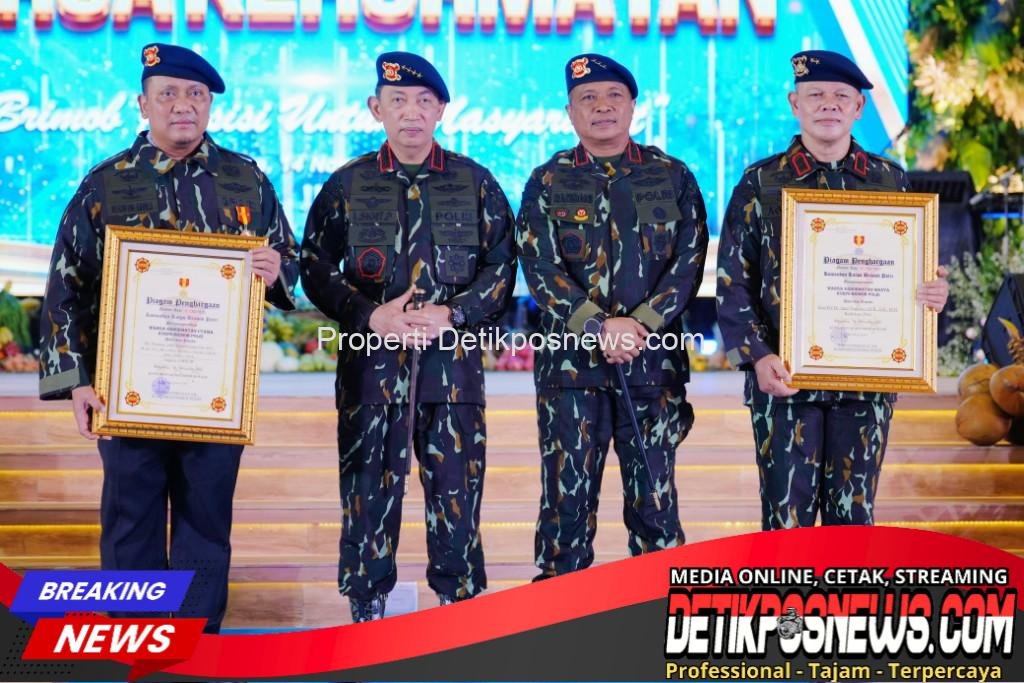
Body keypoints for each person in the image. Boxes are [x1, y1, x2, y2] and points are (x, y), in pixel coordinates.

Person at [38, 43, 299, 632]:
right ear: (143, 104)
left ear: (209, 104)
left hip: (213, 394)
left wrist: (276, 268)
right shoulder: (106, 183)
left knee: (206, 526)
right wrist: (75, 381)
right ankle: (136, 645)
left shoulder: (245, 179)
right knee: (130, 525)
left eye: (195, 95)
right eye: (169, 94)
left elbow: (291, 259)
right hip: (126, 392)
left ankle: (196, 649)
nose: (183, 105)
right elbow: (65, 284)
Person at [300, 51, 517, 622]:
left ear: (441, 110)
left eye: (424, 101)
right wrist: (369, 315)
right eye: (398, 101)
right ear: (377, 108)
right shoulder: (347, 184)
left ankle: (458, 607)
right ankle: (366, 608)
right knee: (367, 494)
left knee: (456, 494)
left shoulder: (475, 182)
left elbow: (503, 267)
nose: (411, 112)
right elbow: (313, 265)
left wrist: (454, 314)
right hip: (371, 373)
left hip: (452, 374)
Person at [715, 50, 949, 530]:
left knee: (854, 522)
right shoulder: (761, 181)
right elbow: (732, 281)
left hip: (866, 382)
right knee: (786, 524)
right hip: (784, 379)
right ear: (794, 103)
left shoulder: (890, 181)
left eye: (842, 96)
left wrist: (930, 295)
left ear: (858, 107)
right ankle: (789, 589)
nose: (829, 104)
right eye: (816, 94)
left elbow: (911, 276)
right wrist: (758, 356)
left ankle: (847, 586)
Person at [515, 53, 708, 579]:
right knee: (565, 509)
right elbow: (539, 266)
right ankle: (561, 616)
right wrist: (598, 327)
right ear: (569, 111)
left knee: (655, 507)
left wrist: (639, 324)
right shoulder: (547, 180)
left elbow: (689, 262)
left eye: (613, 96)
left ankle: (652, 610)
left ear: (633, 105)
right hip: (570, 373)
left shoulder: (672, 176)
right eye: (587, 98)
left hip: (652, 370)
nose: (601, 107)